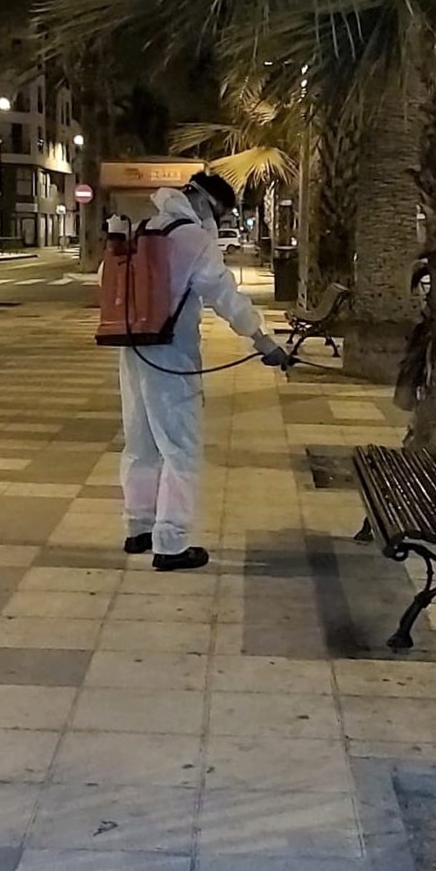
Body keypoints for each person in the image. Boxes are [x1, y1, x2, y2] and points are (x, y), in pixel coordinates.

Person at [119, 171, 290, 571]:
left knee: (140, 444)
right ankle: (172, 543)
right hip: (171, 356)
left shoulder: (146, 226)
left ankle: (138, 527)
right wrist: (262, 341)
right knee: (181, 449)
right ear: (205, 205)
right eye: (218, 214)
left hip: (132, 349)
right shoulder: (193, 238)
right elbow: (224, 294)